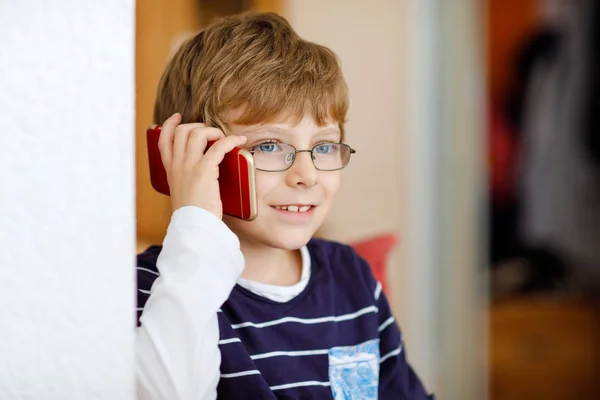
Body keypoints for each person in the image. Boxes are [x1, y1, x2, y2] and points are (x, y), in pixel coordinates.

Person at [136, 11, 432, 399]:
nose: (306, 175)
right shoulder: (158, 288)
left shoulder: (352, 277)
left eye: (324, 146)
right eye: (270, 146)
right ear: (192, 154)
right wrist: (195, 225)